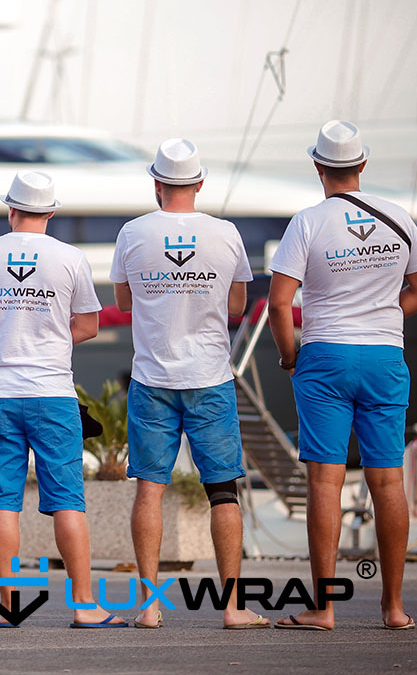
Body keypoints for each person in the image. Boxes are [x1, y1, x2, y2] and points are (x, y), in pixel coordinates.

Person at [269, 120, 417, 631]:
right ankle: (393, 608)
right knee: (388, 482)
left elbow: (279, 302)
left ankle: (323, 608)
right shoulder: (399, 217)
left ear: (319, 167)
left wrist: (289, 356)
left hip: (325, 357)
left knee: (325, 480)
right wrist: (385, 317)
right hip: (384, 358)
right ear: (362, 164)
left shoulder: (308, 222)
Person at [110, 138, 266, 630]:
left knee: (149, 491)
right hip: (210, 377)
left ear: (157, 184)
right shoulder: (226, 234)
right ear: (199, 183)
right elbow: (238, 307)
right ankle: (233, 608)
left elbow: (126, 300)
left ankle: (151, 607)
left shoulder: (133, 233)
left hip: (153, 376)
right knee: (223, 491)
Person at [0, 171, 123, 629]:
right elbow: (88, 326)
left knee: (3, 503)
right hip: (52, 394)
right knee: (68, 501)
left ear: (11, 209)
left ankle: (8, 608)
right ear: (51, 212)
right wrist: (51, 339)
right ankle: (86, 607)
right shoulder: (70, 258)